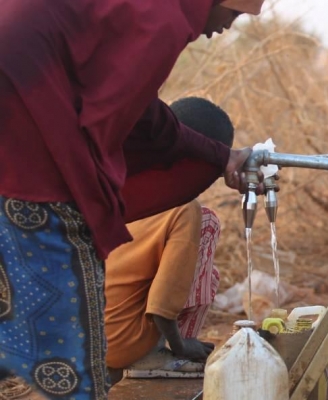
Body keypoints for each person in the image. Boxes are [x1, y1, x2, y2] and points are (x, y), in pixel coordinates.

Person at [0, 1, 266, 398]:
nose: (229, 26)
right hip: (32, 164)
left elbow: (141, 112)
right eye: (234, 13)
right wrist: (96, 203)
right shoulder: (163, 21)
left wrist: (216, 154)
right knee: (72, 365)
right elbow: (108, 122)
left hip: (14, 145)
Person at [104, 98, 233, 383]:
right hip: (123, 342)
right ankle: (161, 356)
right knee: (208, 226)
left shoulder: (122, 183)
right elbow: (163, 301)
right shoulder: (183, 209)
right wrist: (180, 344)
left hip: (81, 336)